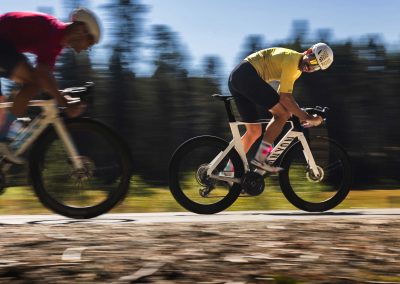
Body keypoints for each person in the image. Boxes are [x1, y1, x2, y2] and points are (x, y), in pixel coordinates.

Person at [0, 8, 101, 164]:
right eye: (90, 43)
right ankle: (4, 137)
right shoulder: (52, 32)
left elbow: (47, 80)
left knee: (5, 104)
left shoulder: (55, 41)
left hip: (5, 46)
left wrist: (63, 97)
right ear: (81, 30)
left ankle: (7, 131)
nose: (87, 49)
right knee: (32, 83)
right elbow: (42, 76)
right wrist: (64, 102)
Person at [227, 43, 334, 173]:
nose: (310, 67)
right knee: (282, 115)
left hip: (239, 76)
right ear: (308, 51)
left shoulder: (296, 68)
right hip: (247, 75)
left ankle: (229, 170)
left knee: (254, 132)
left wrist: (300, 113)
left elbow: (282, 96)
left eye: (316, 67)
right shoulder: (292, 61)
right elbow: (285, 99)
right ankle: (261, 159)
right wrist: (307, 117)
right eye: (312, 60)